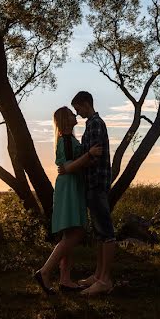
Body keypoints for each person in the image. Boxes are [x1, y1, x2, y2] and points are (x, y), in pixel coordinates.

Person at [34, 107, 101, 295]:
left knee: (69, 234)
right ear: (65, 120)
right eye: (72, 114)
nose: (75, 115)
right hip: (69, 188)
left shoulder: (69, 139)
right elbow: (68, 167)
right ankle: (45, 271)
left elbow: (72, 165)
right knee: (76, 233)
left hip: (72, 185)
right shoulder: (65, 140)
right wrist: (89, 154)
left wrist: (85, 159)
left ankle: (65, 280)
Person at [62, 90, 115, 296]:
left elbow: (93, 156)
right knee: (100, 233)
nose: (77, 113)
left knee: (107, 233)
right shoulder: (92, 124)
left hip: (96, 182)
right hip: (93, 183)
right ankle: (98, 275)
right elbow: (89, 153)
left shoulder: (94, 124)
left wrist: (70, 166)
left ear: (85, 104)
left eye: (78, 108)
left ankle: (105, 280)